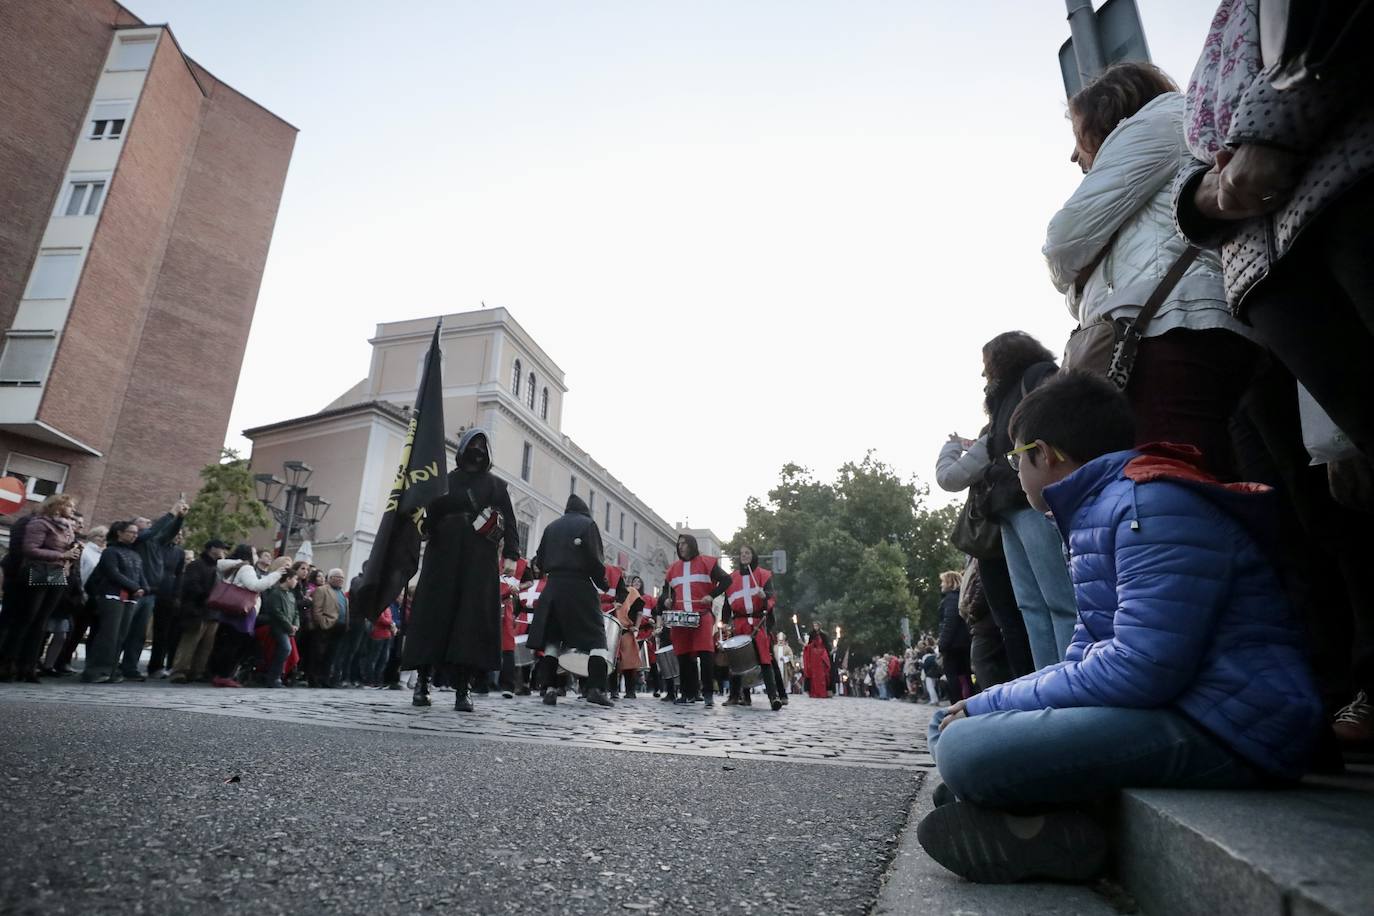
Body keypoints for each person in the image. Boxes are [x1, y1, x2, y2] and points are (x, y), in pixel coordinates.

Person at [918, 371, 1323, 884]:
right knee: (952, 730)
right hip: (1180, 707)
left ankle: (1038, 815)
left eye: (1015, 457)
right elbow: (1085, 655)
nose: (1015, 471)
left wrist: (987, 705)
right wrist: (986, 707)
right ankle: (1050, 827)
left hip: (1232, 726)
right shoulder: (1104, 509)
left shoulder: (1145, 507)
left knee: (962, 748)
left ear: (1045, 454)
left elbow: (1141, 667)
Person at [1045, 61, 1254, 478]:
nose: (1074, 155)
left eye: (1079, 135)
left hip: (1170, 331)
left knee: (1174, 484)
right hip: (1181, 327)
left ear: (1109, 114)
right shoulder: (1164, 145)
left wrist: (1076, 275)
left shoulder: (1154, 122)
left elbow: (1062, 242)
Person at [978, 331, 1076, 670]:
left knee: (1059, 599)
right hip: (1008, 503)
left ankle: (1069, 681)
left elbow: (1058, 426)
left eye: (987, 363)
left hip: (1032, 499)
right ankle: (1046, 684)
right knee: (1030, 606)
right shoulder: (1001, 398)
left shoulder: (1039, 377)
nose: (983, 373)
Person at [403, 428, 520, 712]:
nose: (477, 450)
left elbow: (511, 523)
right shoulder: (443, 482)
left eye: (483, 446)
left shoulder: (497, 486)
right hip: (442, 555)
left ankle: (463, 688)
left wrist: (512, 555)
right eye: (473, 445)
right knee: (433, 614)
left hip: (479, 559)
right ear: (463, 448)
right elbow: (428, 518)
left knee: (471, 620)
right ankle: (422, 682)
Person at [527, 495, 614, 707]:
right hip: (580, 586)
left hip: (554, 586)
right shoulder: (588, 524)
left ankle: (548, 688)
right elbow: (595, 560)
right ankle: (595, 688)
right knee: (597, 639)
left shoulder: (551, 526)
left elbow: (539, 560)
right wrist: (603, 583)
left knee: (553, 640)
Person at [0, 494, 79, 682]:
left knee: (42, 621)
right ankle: (8, 665)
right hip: (38, 569)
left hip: (57, 572)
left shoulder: (67, 526)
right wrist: (61, 554)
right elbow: (30, 549)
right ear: (58, 507)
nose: (73, 511)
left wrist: (74, 550)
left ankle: (29, 667)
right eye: (70, 506)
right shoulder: (40, 523)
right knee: (27, 618)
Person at [659, 533, 731, 706]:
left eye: (684, 543)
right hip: (680, 617)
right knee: (683, 656)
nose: (681, 546)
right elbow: (664, 593)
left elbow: (727, 580)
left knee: (706, 654)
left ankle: (707, 693)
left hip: (702, 615)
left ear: (692, 545)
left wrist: (711, 595)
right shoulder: (673, 569)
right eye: (679, 544)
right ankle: (687, 693)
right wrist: (666, 601)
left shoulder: (707, 562)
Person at [208, 545, 290, 688]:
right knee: (235, 644)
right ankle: (225, 675)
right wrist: (276, 574)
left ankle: (218, 674)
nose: (256, 556)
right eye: (254, 553)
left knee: (226, 643)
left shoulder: (230, 566)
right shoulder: (246, 568)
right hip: (241, 610)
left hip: (228, 608)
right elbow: (255, 586)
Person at [79, 521, 148, 684]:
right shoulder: (111, 552)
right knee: (108, 634)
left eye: (136, 533)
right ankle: (95, 670)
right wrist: (134, 587)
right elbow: (112, 573)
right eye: (131, 532)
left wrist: (144, 587)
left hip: (130, 598)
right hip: (112, 596)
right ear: (119, 533)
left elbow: (140, 573)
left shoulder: (135, 554)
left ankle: (111, 669)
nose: (134, 535)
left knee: (120, 636)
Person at [722, 545, 784, 711]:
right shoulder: (732, 578)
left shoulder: (763, 575)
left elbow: (771, 597)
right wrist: (725, 621)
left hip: (757, 622)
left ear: (753, 555)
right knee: (737, 661)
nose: (744, 556)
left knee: (765, 660)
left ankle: (773, 697)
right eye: (741, 553)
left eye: (747, 553)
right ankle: (735, 696)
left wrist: (764, 598)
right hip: (739, 622)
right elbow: (727, 603)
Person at [168, 539, 230, 683]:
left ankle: (197, 671)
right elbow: (191, 586)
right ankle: (180, 671)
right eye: (222, 548)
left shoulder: (219, 568)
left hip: (213, 612)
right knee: (190, 642)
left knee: (206, 646)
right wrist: (208, 596)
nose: (224, 552)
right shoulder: (197, 565)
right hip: (197, 609)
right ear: (212, 548)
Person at [258, 567, 300, 688]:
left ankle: (277, 676)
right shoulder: (275, 593)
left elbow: (296, 612)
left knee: (286, 650)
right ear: (288, 579)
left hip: (288, 628)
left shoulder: (291, 595)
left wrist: (296, 624)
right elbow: (277, 613)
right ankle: (273, 677)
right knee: (286, 649)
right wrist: (289, 625)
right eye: (295, 579)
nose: (296, 581)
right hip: (278, 627)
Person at [308, 569, 349, 687]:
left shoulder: (342, 593)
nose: (341, 580)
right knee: (319, 653)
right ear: (330, 578)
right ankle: (314, 679)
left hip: (340, 628)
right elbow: (317, 609)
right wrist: (322, 622)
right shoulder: (322, 590)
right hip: (326, 626)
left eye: (342, 578)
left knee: (331, 655)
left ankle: (325, 679)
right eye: (338, 577)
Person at [936, 571, 973, 702]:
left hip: (953, 646)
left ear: (950, 582)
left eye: (943, 581)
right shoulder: (960, 597)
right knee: (965, 677)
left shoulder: (951, 599)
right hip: (963, 644)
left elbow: (949, 623)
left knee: (954, 678)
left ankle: (957, 706)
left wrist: (942, 645)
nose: (941, 585)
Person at [801, 629, 831, 699]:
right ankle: (815, 693)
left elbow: (826, 658)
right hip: (815, 667)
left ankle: (821, 693)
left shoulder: (822, 649)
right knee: (815, 680)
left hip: (820, 668)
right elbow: (806, 648)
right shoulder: (812, 648)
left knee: (820, 680)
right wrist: (802, 643)